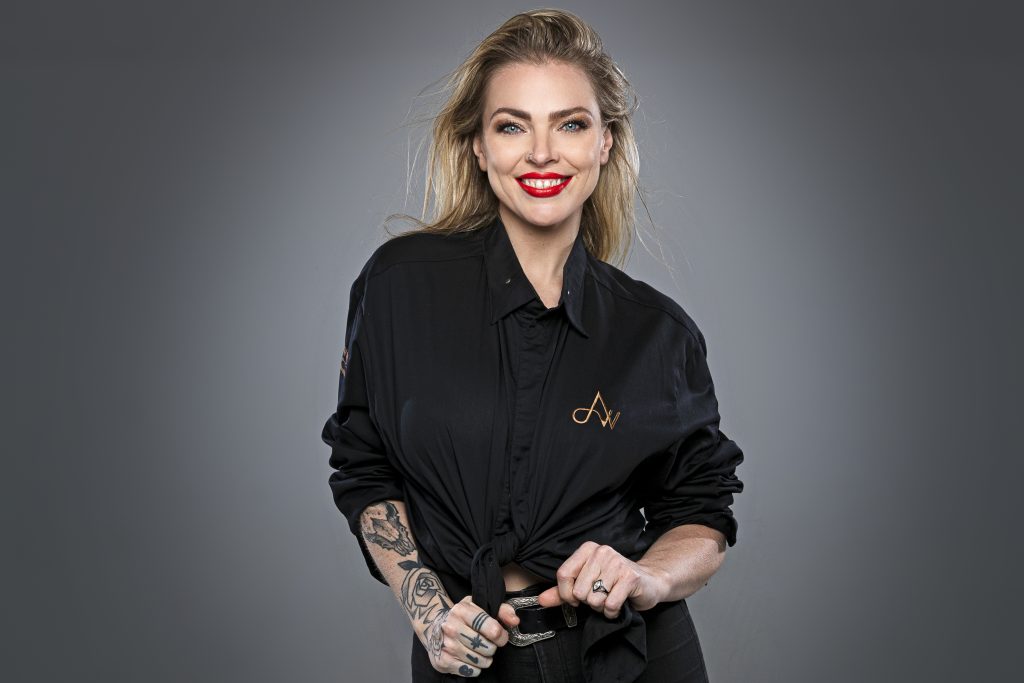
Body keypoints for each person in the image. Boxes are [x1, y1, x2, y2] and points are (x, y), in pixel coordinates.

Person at [321, 8, 744, 683]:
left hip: (629, 655)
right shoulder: (399, 286)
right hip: (465, 655)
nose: (542, 153)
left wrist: (647, 575)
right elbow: (364, 465)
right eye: (512, 125)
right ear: (478, 147)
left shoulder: (658, 333)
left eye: (570, 124)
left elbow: (703, 511)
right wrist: (428, 611)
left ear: (605, 143)